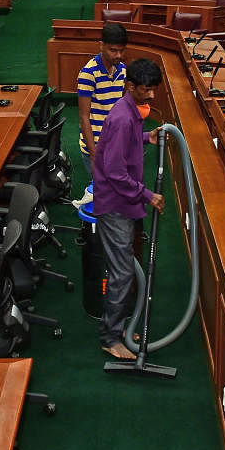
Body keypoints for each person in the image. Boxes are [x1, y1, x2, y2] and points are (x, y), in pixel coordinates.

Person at [92, 58, 166, 359]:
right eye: (145, 91)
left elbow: (126, 147)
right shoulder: (122, 118)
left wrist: (147, 137)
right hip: (115, 205)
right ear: (130, 86)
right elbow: (114, 172)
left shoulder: (131, 113)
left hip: (124, 202)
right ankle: (109, 338)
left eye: (154, 91)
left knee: (125, 268)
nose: (151, 97)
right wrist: (148, 194)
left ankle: (122, 324)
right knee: (122, 273)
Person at [74, 22, 128, 207]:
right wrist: (94, 154)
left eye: (122, 50)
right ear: (101, 45)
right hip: (95, 146)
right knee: (107, 196)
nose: (118, 55)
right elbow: (83, 117)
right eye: (113, 50)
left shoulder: (122, 70)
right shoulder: (88, 74)